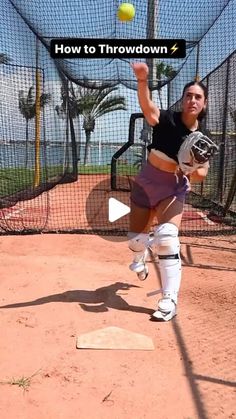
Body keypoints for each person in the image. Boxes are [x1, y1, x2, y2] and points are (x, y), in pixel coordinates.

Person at [128, 62, 213, 321]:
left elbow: (200, 176)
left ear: (204, 104)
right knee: (135, 241)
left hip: (172, 188)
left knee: (166, 237)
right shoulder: (168, 120)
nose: (192, 100)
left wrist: (194, 164)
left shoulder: (203, 138)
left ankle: (169, 300)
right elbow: (148, 109)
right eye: (189, 95)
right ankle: (139, 256)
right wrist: (142, 80)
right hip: (146, 181)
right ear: (183, 99)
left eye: (198, 97)